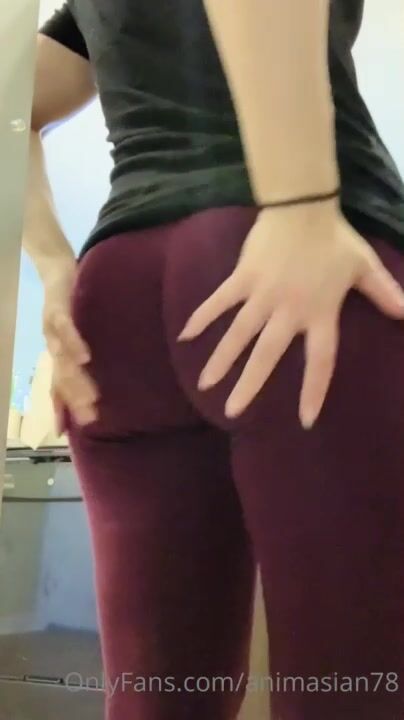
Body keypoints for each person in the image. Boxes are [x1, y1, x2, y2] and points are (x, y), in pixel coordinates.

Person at [25, 1, 404, 718]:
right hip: (294, 275)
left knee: (158, 700)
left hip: (118, 299)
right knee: (356, 692)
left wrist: (54, 268)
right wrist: (299, 207)